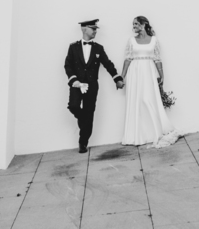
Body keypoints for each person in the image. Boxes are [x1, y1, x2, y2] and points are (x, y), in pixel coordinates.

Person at [64, 19, 124, 153]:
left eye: (96, 29)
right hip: (76, 84)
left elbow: (108, 64)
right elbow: (68, 65)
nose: (95, 31)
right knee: (73, 106)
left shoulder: (98, 48)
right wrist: (74, 81)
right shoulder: (73, 47)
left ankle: (83, 143)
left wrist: (117, 78)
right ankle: (82, 117)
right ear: (84, 29)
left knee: (89, 113)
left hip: (92, 85)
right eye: (93, 28)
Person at [119, 15, 179, 147]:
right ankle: (138, 135)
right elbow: (128, 59)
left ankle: (153, 133)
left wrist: (162, 76)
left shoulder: (154, 41)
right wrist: (122, 77)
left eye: (136, 24)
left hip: (149, 72)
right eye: (133, 24)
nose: (133, 27)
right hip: (135, 72)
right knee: (137, 101)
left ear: (144, 24)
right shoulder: (131, 40)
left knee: (148, 99)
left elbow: (157, 59)